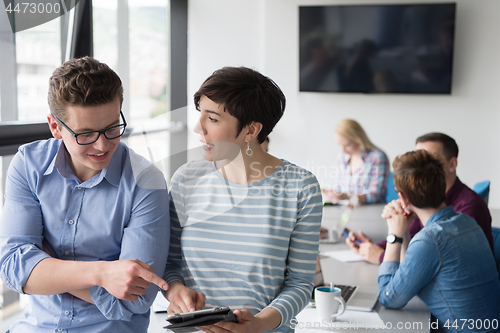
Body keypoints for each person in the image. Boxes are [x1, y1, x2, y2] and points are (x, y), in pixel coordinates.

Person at [0, 57, 170, 332]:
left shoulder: (146, 181)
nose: (103, 145)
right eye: (86, 134)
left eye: (112, 127)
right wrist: (103, 274)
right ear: (55, 127)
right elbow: (12, 268)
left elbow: (135, 300)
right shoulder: (28, 164)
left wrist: (46, 265)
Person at [163, 67, 323, 333]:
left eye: (212, 119)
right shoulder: (186, 179)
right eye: (199, 114)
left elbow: (300, 284)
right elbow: (170, 265)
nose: (197, 128)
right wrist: (176, 291)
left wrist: (260, 323)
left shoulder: (300, 187)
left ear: (251, 130)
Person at [377, 149, 500, 332]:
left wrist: (394, 235)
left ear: (402, 198)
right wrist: (404, 232)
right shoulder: (467, 222)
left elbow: (389, 297)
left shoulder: (430, 241)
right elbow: (407, 275)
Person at [346, 132, 493, 264]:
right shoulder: (424, 197)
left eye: (430, 159)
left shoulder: (469, 206)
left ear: (452, 164)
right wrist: (373, 247)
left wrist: (382, 256)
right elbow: (410, 234)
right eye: (419, 158)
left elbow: (432, 261)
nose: (421, 166)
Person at [322, 118, 389, 204]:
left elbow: (377, 195)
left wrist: (348, 196)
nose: (343, 149)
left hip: (371, 212)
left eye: (347, 145)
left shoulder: (377, 157)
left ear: (358, 139)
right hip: (346, 212)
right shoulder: (341, 157)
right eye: (339, 145)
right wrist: (332, 193)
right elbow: (340, 189)